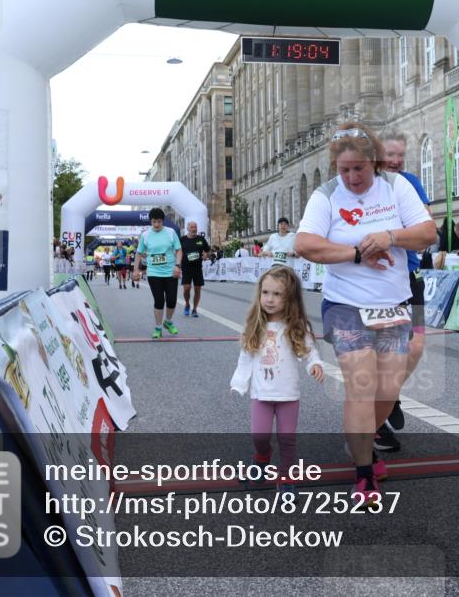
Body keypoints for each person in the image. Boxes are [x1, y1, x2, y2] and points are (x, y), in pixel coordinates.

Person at [296, 122, 436, 507]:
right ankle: (363, 475)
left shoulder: (396, 187)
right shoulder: (325, 196)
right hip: (345, 306)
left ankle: (361, 440)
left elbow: (427, 232)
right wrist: (357, 252)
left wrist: (389, 237)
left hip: (392, 305)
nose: (353, 177)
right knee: (361, 385)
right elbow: (306, 244)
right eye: (344, 170)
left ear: (374, 162)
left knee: (387, 391)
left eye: (360, 168)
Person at [230, 267, 325, 494]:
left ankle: (286, 479)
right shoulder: (255, 325)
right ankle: (262, 457)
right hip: (261, 394)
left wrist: (315, 364)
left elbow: (309, 352)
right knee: (259, 436)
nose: (269, 299)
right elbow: (245, 358)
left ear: (289, 297)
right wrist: (239, 383)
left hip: (287, 394)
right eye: (265, 293)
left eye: (277, 294)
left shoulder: (296, 326)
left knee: (287, 439)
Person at [375, 130, 433, 452]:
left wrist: (392, 237)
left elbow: (427, 231)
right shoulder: (367, 187)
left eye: (401, 155)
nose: (396, 161)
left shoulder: (411, 182)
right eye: (390, 155)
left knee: (416, 347)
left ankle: (391, 393)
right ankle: (376, 422)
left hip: (411, 276)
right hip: (381, 283)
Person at [133, 208, 183, 339]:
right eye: (154, 221)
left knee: (172, 300)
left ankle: (168, 321)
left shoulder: (171, 232)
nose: (156, 225)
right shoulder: (145, 235)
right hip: (154, 272)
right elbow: (138, 253)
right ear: (151, 221)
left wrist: (178, 265)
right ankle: (158, 327)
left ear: (163, 221)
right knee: (159, 300)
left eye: (159, 222)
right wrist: (136, 270)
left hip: (170, 271)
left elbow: (179, 250)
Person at [180, 221, 211, 317]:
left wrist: (206, 254)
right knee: (187, 288)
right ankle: (187, 304)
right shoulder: (182, 240)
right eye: (192, 227)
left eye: (195, 227)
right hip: (186, 268)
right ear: (188, 228)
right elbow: (177, 252)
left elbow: (208, 250)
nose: (194, 229)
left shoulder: (201, 239)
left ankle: (194, 309)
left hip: (197, 267)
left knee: (197, 288)